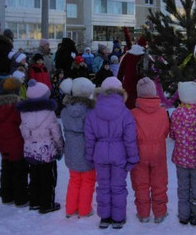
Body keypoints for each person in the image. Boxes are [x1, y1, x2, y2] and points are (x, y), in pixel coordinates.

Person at [85, 76, 139, 229]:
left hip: (100, 153)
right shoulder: (125, 112)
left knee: (103, 186)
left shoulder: (93, 112)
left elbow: (89, 138)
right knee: (118, 187)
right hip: (119, 153)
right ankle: (118, 218)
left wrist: (90, 156)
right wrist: (132, 157)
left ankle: (105, 218)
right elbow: (130, 138)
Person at [19, 80, 64, 214]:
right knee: (48, 178)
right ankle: (46, 204)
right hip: (47, 151)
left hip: (31, 150)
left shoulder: (24, 112)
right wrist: (60, 147)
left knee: (34, 175)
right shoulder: (49, 113)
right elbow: (55, 132)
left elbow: (23, 131)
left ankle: (34, 201)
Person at [0, 77, 29, 206]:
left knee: (6, 168)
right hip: (18, 142)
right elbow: (22, 123)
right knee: (20, 171)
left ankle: (7, 195)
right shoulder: (16, 107)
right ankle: (21, 198)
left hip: (3, 142)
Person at [130, 77, 170, 223]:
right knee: (159, 182)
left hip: (139, 151)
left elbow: (130, 134)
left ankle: (143, 214)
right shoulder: (162, 112)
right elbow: (166, 131)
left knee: (140, 183)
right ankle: (160, 213)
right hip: (158, 151)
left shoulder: (133, 113)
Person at [169, 82, 196, 227]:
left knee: (183, 187)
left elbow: (172, 135)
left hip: (181, 159)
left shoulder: (176, 114)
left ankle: (184, 215)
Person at [60, 77, 97, 218]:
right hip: (87, 152)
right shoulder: (90, 112)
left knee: (74, 180)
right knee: (88, 181)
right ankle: (84, 210)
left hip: (71, 151)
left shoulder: (65, 111)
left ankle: (70, 209)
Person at [117, 41, 146, 109]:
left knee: (128, 102)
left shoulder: (128, 54)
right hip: (141, 83)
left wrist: (119, 80)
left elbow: (121, 69)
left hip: (128, 82)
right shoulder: (144, 56)